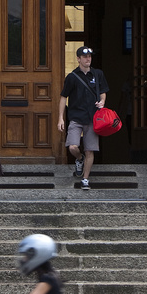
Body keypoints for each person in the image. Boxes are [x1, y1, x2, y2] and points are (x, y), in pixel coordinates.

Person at [58, 46, 107, 191]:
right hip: (76, 117)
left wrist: (102, 102)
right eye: (85, 57)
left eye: (90, 57)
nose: (88, 59)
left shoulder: (98, 74)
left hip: (93, 118)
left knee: (90, 150)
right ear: (78, 59)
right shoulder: (72, 77)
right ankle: (79, 159)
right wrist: (61, 118)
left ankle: (85, 179)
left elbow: (103, 92)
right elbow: (63, 97)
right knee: (73, 146)